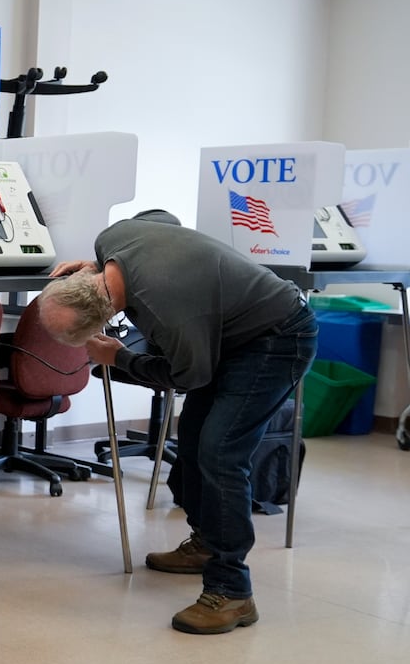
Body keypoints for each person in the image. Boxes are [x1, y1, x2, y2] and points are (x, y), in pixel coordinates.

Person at [39, 217, 316, 635]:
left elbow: (189, 377)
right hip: (227, 332)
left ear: (99, 322)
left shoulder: (169, 315)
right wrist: (99, 268)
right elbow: (161, 219)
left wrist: (119, 358)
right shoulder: (110, 241)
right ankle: (207, 543)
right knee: (192, 442)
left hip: (278, 338)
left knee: (220, 452)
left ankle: (232, 591)